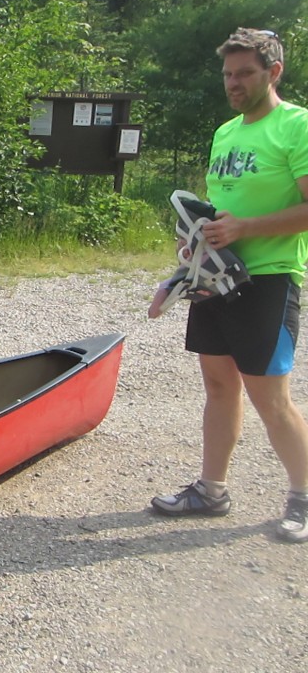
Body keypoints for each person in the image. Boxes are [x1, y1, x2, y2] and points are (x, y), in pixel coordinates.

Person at [150, 27, 308, 543]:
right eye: (227, 75)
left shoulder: (296, 126)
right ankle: (211, 490)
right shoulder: (226, 132)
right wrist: (190, 248)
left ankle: (302, 498)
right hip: (214, 279)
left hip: (268, 281)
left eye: (245, 74)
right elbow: (218, 212)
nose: (233, 83)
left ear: (273, 72)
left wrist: (244, 229)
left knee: (272, 399)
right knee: (219, 387)